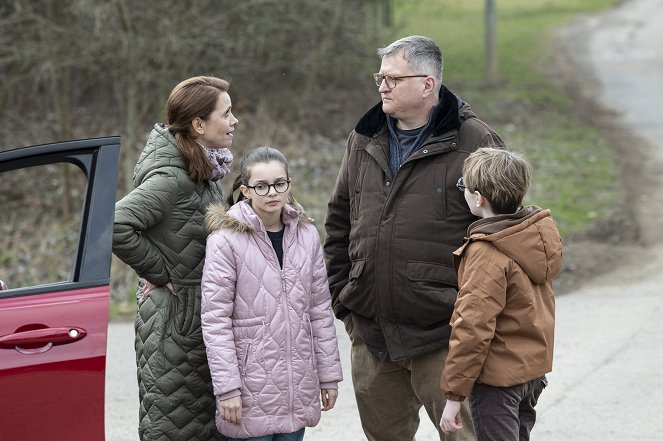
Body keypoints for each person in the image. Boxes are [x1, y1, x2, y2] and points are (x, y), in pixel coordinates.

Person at [324, 35, 505, 441]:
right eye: (380, 78)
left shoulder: (476, 143)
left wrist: (472, 316)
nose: (382, 87)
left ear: (427, 84)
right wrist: (346, 301)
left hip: (446, 337)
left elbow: (500, 236)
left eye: (393, 78)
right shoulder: (364, 137)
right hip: (372, 335)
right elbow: (338, 221)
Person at [113, 75, 237, 441]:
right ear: (199, 124)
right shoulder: (173, 178)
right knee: (176, 429)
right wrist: (161, 271)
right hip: (176, 327)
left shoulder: (201, 170)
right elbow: (117, 224)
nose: (235, 121)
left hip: (194, 321)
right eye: (226, 113)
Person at [200, 146, 343, 441]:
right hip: (249, 388)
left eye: (280, 183)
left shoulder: (307, 236)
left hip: (297, 386)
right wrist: (227, 389)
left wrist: (328, 376)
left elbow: (319, 311)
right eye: (261, 186)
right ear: (246, 190)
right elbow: (216, 321)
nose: (272, 192)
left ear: (289, 186)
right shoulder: (225, 241)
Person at [440, 147, 562, 440]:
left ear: (478, 197)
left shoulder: (487, 251)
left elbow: (472, 327)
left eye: (465, 188)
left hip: (497, 382)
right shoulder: (534, 234)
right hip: (530, 375)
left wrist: (454, 395)